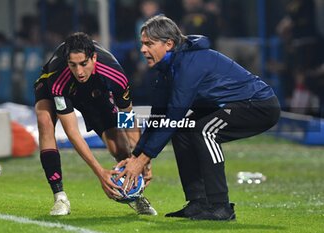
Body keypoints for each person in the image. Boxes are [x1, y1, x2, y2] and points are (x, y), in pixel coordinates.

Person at [116, 15, 280, 221]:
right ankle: (198, 202)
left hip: (258, 105)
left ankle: (221, 207)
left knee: (205, 131)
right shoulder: (168, 67)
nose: (142, 49)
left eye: (149, 44)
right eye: (142, 44)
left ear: (169, 44)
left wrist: (142, 160)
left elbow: (174, 115)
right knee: (183, 130)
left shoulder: (188, 65)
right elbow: (158, 116)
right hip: (233, 105)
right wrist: (137, 155)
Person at [34, 32, 157, 216]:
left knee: (120, 148)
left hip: (95, 92)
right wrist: (100, 172)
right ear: (67, 62)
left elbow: (127, 117)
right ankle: (60, 197)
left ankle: (135, 195)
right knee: (45, 121)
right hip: (57, 87)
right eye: (73, 65)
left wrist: (139, 158)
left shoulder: (115, 75)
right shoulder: (58, 77)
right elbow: (72, 131)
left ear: (94, 58)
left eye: (84, 64)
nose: (79, 72)